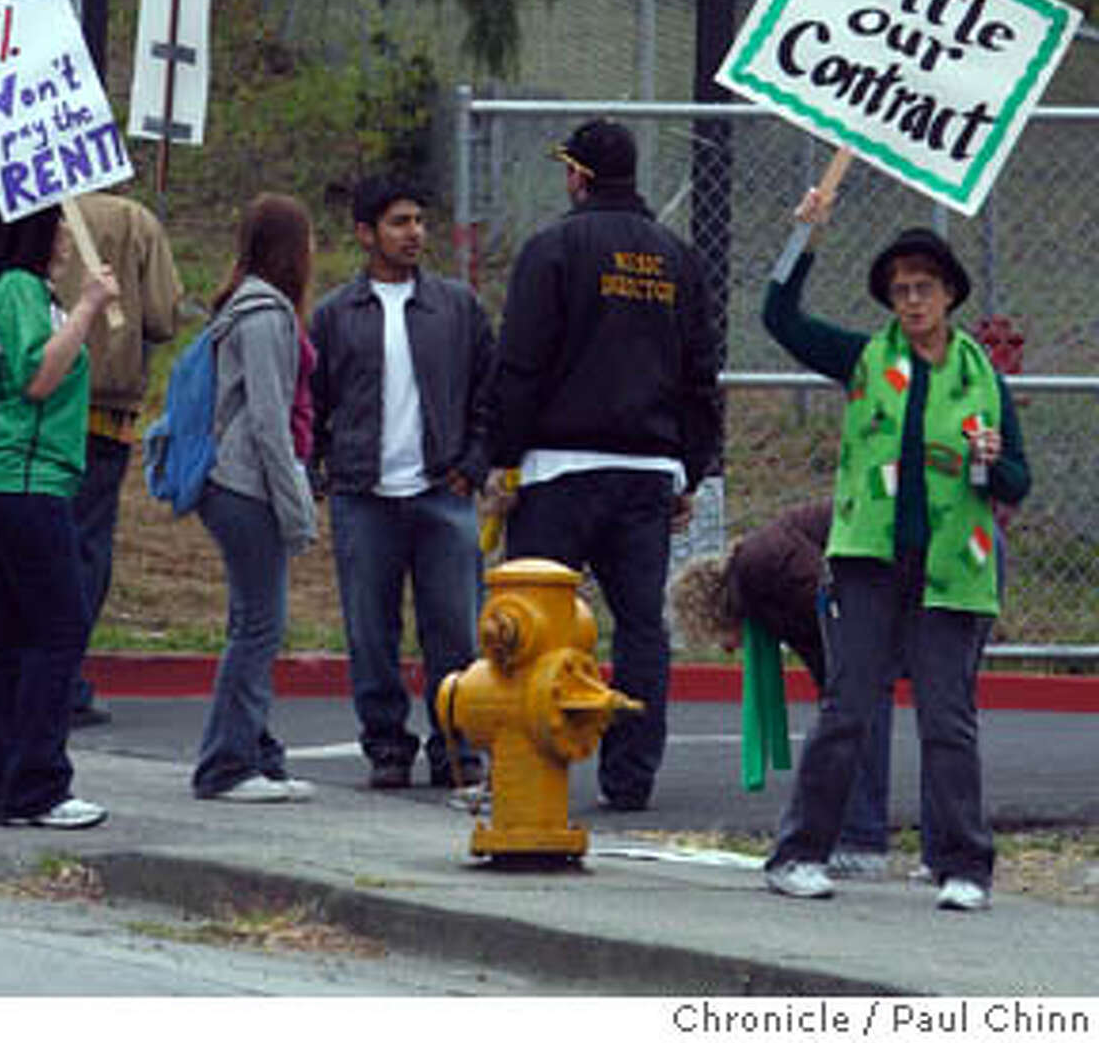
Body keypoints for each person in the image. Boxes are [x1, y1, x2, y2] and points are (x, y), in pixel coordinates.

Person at [759, 187, 1030, 912]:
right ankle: (798, 853)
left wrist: (993, 461)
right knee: (847, 707)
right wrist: (805, 238)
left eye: (924, 287)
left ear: (949, 295)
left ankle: (963, 866)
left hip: (954, 567)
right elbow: (779, 318)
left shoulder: (982, 377)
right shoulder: (863, 359)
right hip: (868, 561)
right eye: (900, 289)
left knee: (947, 718)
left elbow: (1017, 480)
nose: (911, 300)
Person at [483, 119, 722, 812]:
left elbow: (520, 364)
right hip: (647, 471)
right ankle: (631, 776)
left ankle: (526, 767)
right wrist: (690, 468)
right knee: (641, 627)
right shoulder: (678, 258)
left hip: (556, 470)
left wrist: (502, 457)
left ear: (579, 177)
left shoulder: (552, 249)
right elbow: (700, 374)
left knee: (534, 623)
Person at [310, 173, 495, 791]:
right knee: (370, 632)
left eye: (418, 220)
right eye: (399, 222)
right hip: (363, 497)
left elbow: (490, 392)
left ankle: (457, 746)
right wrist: (323, 469)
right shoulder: (335, 315)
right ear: (366, 233)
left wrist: (473, 465)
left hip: (443, 493)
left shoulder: (457, 307)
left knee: (455, 631)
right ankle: (386, 744)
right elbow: (313, 400)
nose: (414, 233)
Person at [0, 197, 119, 830]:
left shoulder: (15, 291)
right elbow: (38, 376)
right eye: (61, 224)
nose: (70, 238)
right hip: (20, 480)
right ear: (37, 229)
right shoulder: (19, 289)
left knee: (1, 639)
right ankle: (37, 787)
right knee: (60, 627)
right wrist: (89, 305)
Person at [672, 501, 905, 876]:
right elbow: (822, 653)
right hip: (884, 574)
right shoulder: (765, 586)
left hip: (887, 568)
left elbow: (826, 598)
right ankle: (862, 836)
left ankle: (861, 840)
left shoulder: (759, 567)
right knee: (852, 711)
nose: (728, 649)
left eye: (718, 636)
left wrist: (854, 667)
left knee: (857, 709)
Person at [191, 193, 319, 803]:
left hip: (232, 481)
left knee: (251, 621)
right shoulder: (266, 315)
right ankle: (228, 763)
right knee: (260, 626)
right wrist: (297, 511)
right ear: (292, 249)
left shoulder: (242, 306)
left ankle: (258, 753)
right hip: (247, 483)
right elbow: (269, 421)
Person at [54, 190, 183, 728]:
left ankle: (29, 670)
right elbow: (162, 317)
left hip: (37, 403)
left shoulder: (32, 209)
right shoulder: (135, 221)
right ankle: (63, 678)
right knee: (87, 545)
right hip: (104, 406)